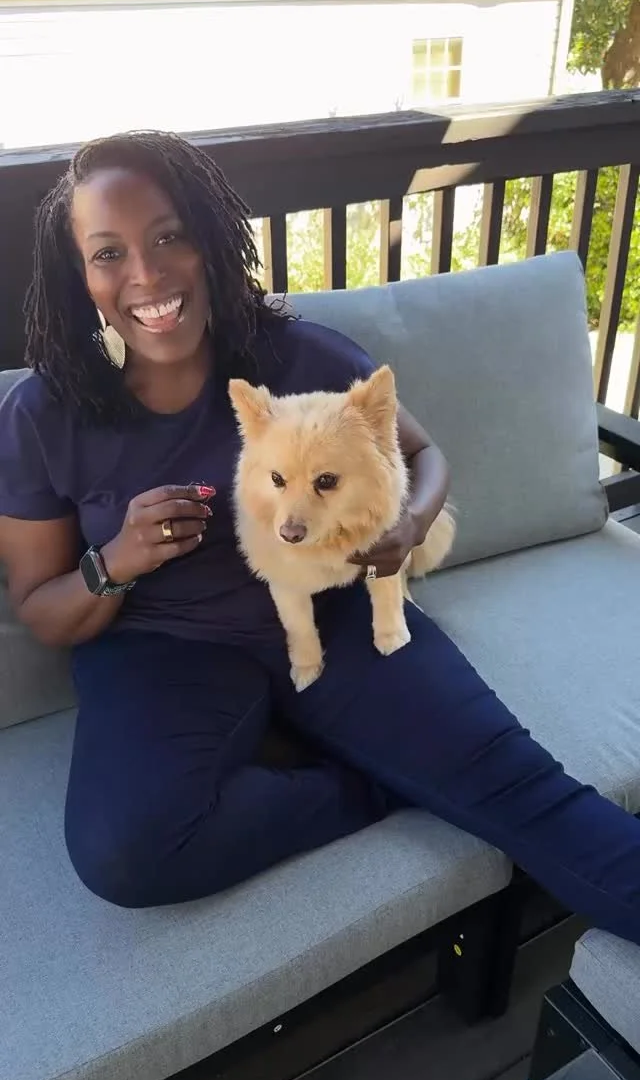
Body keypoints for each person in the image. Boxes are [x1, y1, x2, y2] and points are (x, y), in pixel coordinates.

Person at [0, 131, 639, 943]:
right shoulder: (42, 416)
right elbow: (45, 609)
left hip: (333, 618)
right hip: (162, 650)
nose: (147, 275)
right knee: (126, 853)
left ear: (207, 239)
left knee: (526, 793)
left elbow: (424, 455)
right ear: (78, 275)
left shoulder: (296, 354)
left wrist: (408, 525)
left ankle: (394, 759)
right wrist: (117, 560)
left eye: (168, 237)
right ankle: (374, 781)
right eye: (108, 253)